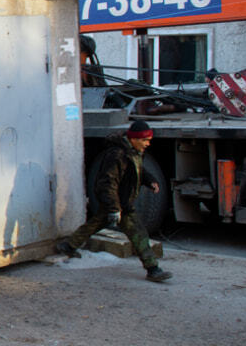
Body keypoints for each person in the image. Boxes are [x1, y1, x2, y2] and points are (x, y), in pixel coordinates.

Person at [56, 119, 173, 282]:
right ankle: (153, 269)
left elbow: (138, 169)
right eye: (145, 140)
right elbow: (107, 183)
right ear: (134, 139)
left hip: (119, 201)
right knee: (139, 234)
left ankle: (68, 246)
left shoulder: (133, 152)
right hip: (118, 201)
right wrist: (114, 208)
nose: (148, 144)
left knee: (95, 224)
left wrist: (150, 180)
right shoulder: (117, 155)